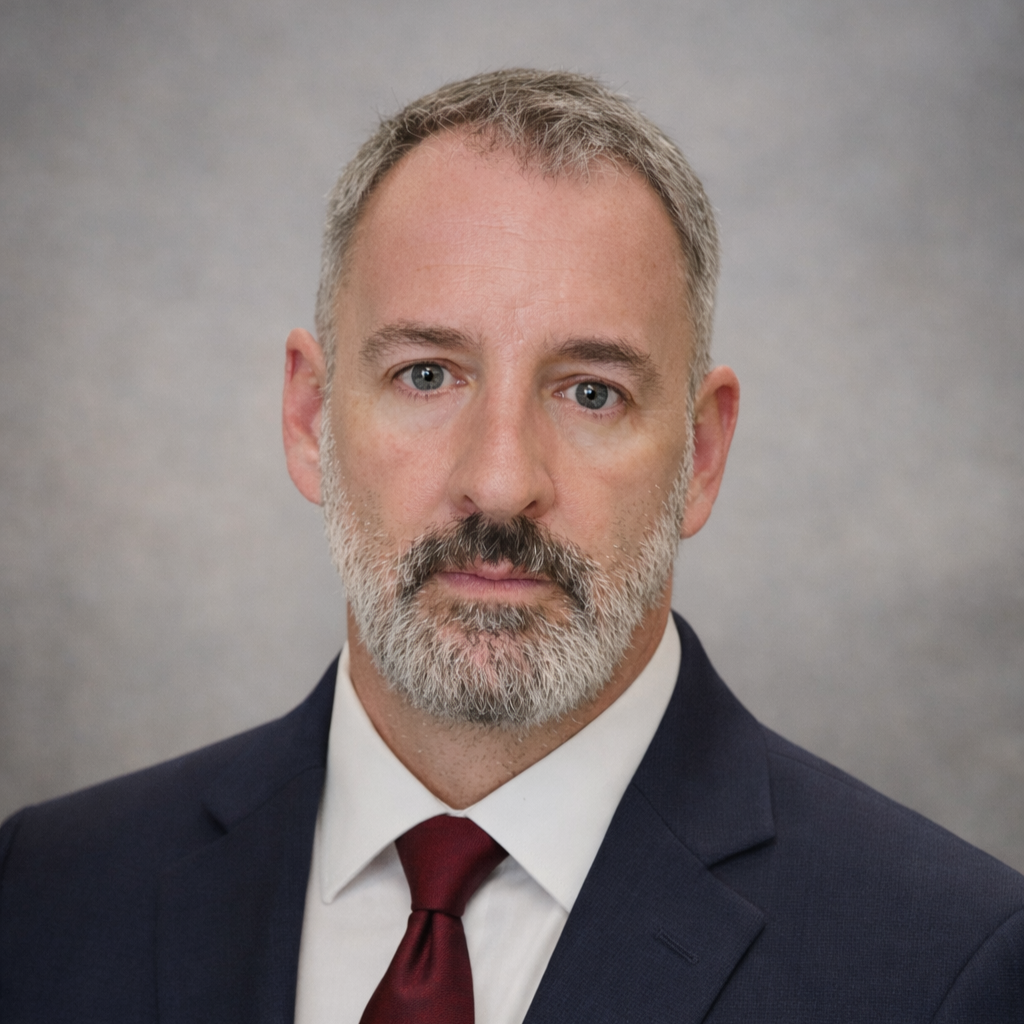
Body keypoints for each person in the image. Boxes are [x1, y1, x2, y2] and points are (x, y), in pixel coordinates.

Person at [0, 69, 1021, 1024]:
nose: (498, 481)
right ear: (310, 418)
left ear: (701, 454)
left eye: (591, 392)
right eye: (427, 374)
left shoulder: (948, 966)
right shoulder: (43, 893)